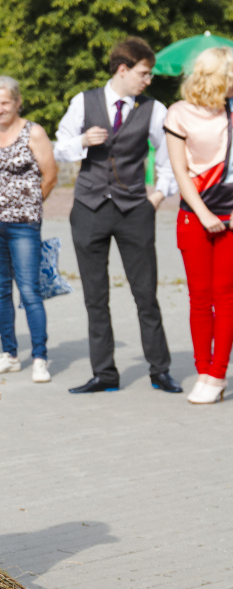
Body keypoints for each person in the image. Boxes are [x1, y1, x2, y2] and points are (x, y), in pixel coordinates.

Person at [55, 36, 181, 394]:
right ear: (123, 70)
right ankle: (105, 374)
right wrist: (81, 142)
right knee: (96, 296)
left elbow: (171, 153)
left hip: (134, 211)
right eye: (144, 72)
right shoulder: (84, 101)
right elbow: (58, 146)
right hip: (89, 209)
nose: (148, 79)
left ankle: (160, 370)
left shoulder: (155, 109)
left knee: (146, 294)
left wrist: (159, 195)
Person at [0, 76, 58, 382]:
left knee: (29, 290)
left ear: (16, 102)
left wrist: (30, 206)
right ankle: (9, 354)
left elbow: (50, 175)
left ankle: (40, 357)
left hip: (24, 224)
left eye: (5, 103)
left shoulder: (33, 132)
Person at [164, 46, 233, 404]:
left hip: (232, 217)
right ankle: (203, 370)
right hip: (195, 215)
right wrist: (205, 214)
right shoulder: (179, 114)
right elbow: (179, 170)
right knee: (199, 299)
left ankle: (218, 374)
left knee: (227, 297)